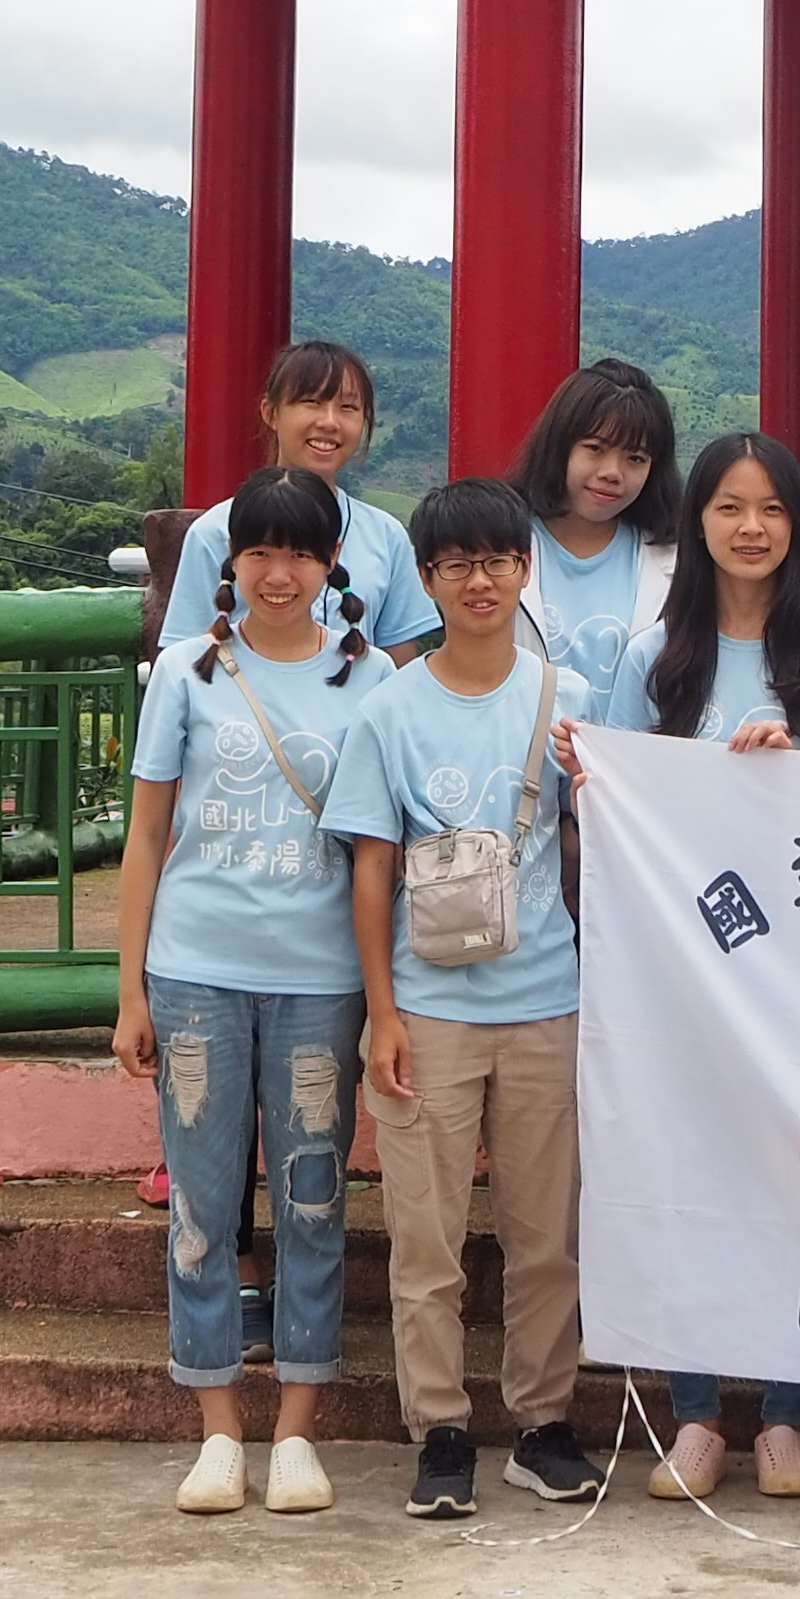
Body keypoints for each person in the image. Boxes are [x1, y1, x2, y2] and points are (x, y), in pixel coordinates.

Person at [587, 429, 800, 1504]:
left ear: (797, 527)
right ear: (696, 526)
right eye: (727, 509)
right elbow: (610, 803)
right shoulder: (651, 656)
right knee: (687, 1181)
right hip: (679, 975)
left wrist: (794, 779)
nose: (750, 528)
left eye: (770, 509)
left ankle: (790, 1420)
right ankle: (697, 1412)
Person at [327, 476, 604, 1521]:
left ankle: (542, 1424)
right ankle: (439, 1431)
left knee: (546, 1237)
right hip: (429, 1014)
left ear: (524, 569)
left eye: (498, 560)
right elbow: (370, 868)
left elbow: (610, 840)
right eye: (457, 564)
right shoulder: (388, 710)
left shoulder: (568, 698)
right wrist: (381, 1014)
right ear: (429, 579)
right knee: (427, 1239)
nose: (480, 580)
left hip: (548, 1002)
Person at [114, 467, 385, 1519]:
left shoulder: (367, 680)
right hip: (194, 975)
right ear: (227, 563)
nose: (281, 573)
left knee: (314, 1199)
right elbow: (145, 838)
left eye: (302, 552)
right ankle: (218, 1427)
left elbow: (380, 848)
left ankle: (299, 1433)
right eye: (260, 552)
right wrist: (129, 990)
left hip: (322, 979)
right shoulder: (187, 671)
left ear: (331, 564)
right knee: (199, 1206)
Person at [155, 339, 439, 666]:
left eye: (348, 408)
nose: (330, 422)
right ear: (271, 413)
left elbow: (397, 673)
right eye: (311, 402)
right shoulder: (214, 532)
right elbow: (184, 664)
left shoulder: (386, 536)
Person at [514, 357, 682, 697]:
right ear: (559, 445)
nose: (612, 472)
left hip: (629, 750)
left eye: (635, 458)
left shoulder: (680, 563)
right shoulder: (501, 546)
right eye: (595, 449)